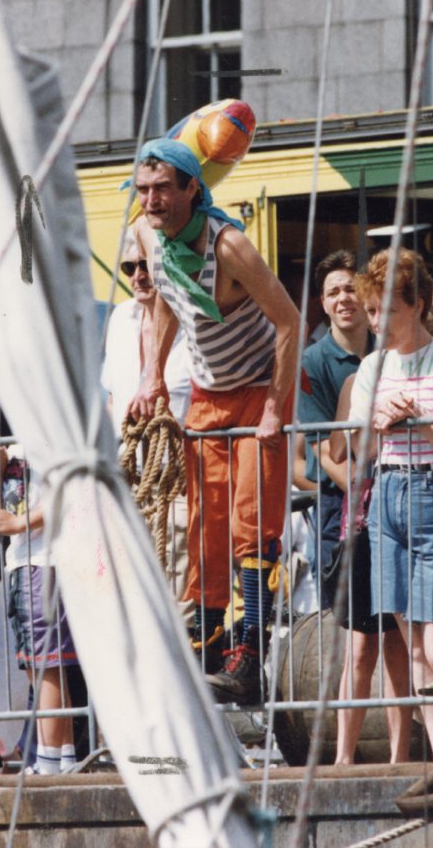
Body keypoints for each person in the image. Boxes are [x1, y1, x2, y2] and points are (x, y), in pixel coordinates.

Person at [128, 124, 300, 705]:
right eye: (143, 188)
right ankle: (204, 645)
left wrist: (276, 405)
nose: (150, 200)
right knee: (205, 526)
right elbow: (166, 306)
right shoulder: (152, 241)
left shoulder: (228, 245)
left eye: (161, 189)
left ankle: (249, 655)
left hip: (256, 390)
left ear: (191, 189)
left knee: (253, 523)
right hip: (208, 392)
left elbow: (290, 320)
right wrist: (152, 374)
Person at [342, 248, 433, 761]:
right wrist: (373, 420)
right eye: (371, 312)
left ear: (415, 306)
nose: (376, 322)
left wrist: (424, 423)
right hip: (388, 495)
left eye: (386, 310)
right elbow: (354, 448)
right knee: (413, 645)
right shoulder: (373, 365)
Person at [296, 250, 409, 764]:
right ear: (322, 304)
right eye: (333, 292)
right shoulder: (320, 367)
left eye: (351, 291)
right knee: (360, 642)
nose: (344, 300)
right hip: (348, 517)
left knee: (402, 639)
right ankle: (343, 756)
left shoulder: (398, 354)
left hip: (396, 511)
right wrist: (369, 493)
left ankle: (405, 749)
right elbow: (322, 452)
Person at [100, 238, 192, 606]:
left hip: (179, 480)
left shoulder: (190, 319)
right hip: (130, 480)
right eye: (129, 268)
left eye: (146, 266)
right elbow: (112, 397)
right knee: (131, 590)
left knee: (177, 585)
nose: (138, 276)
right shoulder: (121, 318)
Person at [0, 440, 82, 775]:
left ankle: (49, 762)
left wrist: (20, 524)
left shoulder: (47, 434)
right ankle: (64, 757)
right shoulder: (16, 445)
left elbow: (69, 494)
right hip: (24, 563)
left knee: (45, 666)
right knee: (40, 666)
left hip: (45, 561)